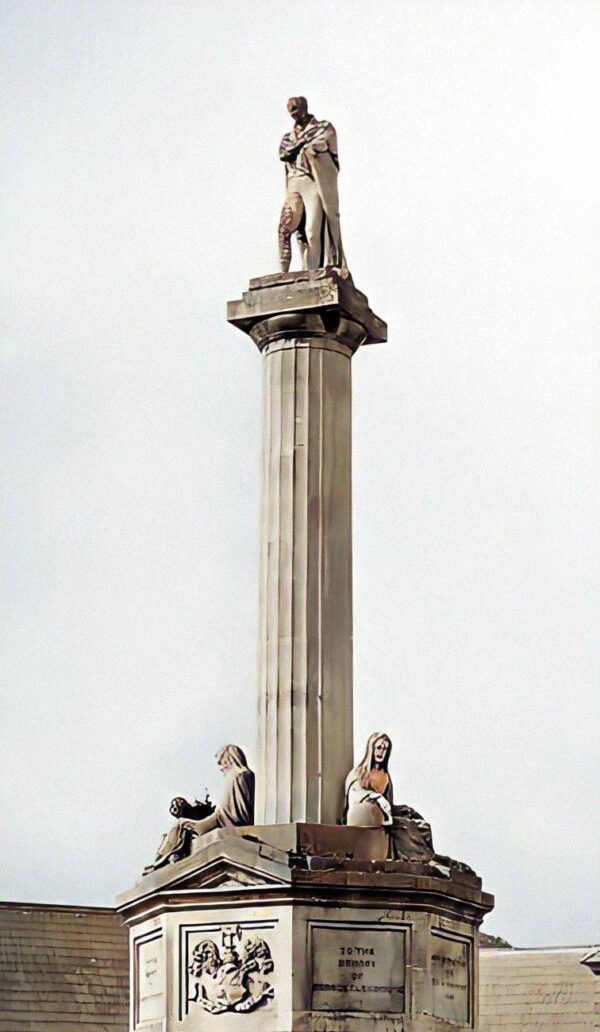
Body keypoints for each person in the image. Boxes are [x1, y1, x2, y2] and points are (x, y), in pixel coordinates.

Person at [144, 745, 255, 873]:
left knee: (181, 825)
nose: (221, 768)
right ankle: (164, 859)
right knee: (182, 825)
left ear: (230, 760)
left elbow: (239, 815)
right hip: (219, 820)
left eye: (221, 763)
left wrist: (205, 822)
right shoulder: (240, 776)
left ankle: (160, 862)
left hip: (223, 823)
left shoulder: (237, 776)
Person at [279, 96, 347, 271]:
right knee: (285, 228)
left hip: (312, 182)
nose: (294, 113)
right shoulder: (288, 137)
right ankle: (283, 273)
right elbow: (283, 153)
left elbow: (333, 158)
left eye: (296, 108)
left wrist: (314, 151)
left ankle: (311, 271)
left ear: (305, 107)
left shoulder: (323, 128)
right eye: (291, 111)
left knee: (312, 232)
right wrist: (302, 143)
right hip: (294, 183)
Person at [343, 732, 435, 861]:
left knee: (420, 823)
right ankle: (418, 856)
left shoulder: (385, 775)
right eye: (379, 748)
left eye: (385, 749)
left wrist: (397, 808)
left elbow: (389, 802)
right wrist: (376, 797)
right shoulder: (359, 772)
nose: (381, 752)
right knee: (406, 827)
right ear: (372, 749)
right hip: (371, 817)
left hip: (385, 812)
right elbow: (354, 794)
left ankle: (427, 856)